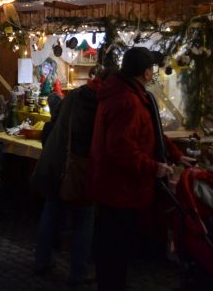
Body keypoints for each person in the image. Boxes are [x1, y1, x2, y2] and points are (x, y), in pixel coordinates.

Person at [88, 47, 193, 291]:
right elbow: (121, 149)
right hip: (120, 190)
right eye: (152, 70)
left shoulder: (128, 93)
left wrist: (176, 155)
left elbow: (150, 131)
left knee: (114, 250)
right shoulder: (128, 100)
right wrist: (153, 167)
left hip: (115, 187)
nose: (153, 74)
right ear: (146, 72)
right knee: (115, 253)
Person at [31, 66, 110, 286]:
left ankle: (41, 262)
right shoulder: (104, 104)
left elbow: (55, 122)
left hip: (59, 163)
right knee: (84, 219)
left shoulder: (75, 95)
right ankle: (78, 273)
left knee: (51, 211)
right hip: (82, 169)